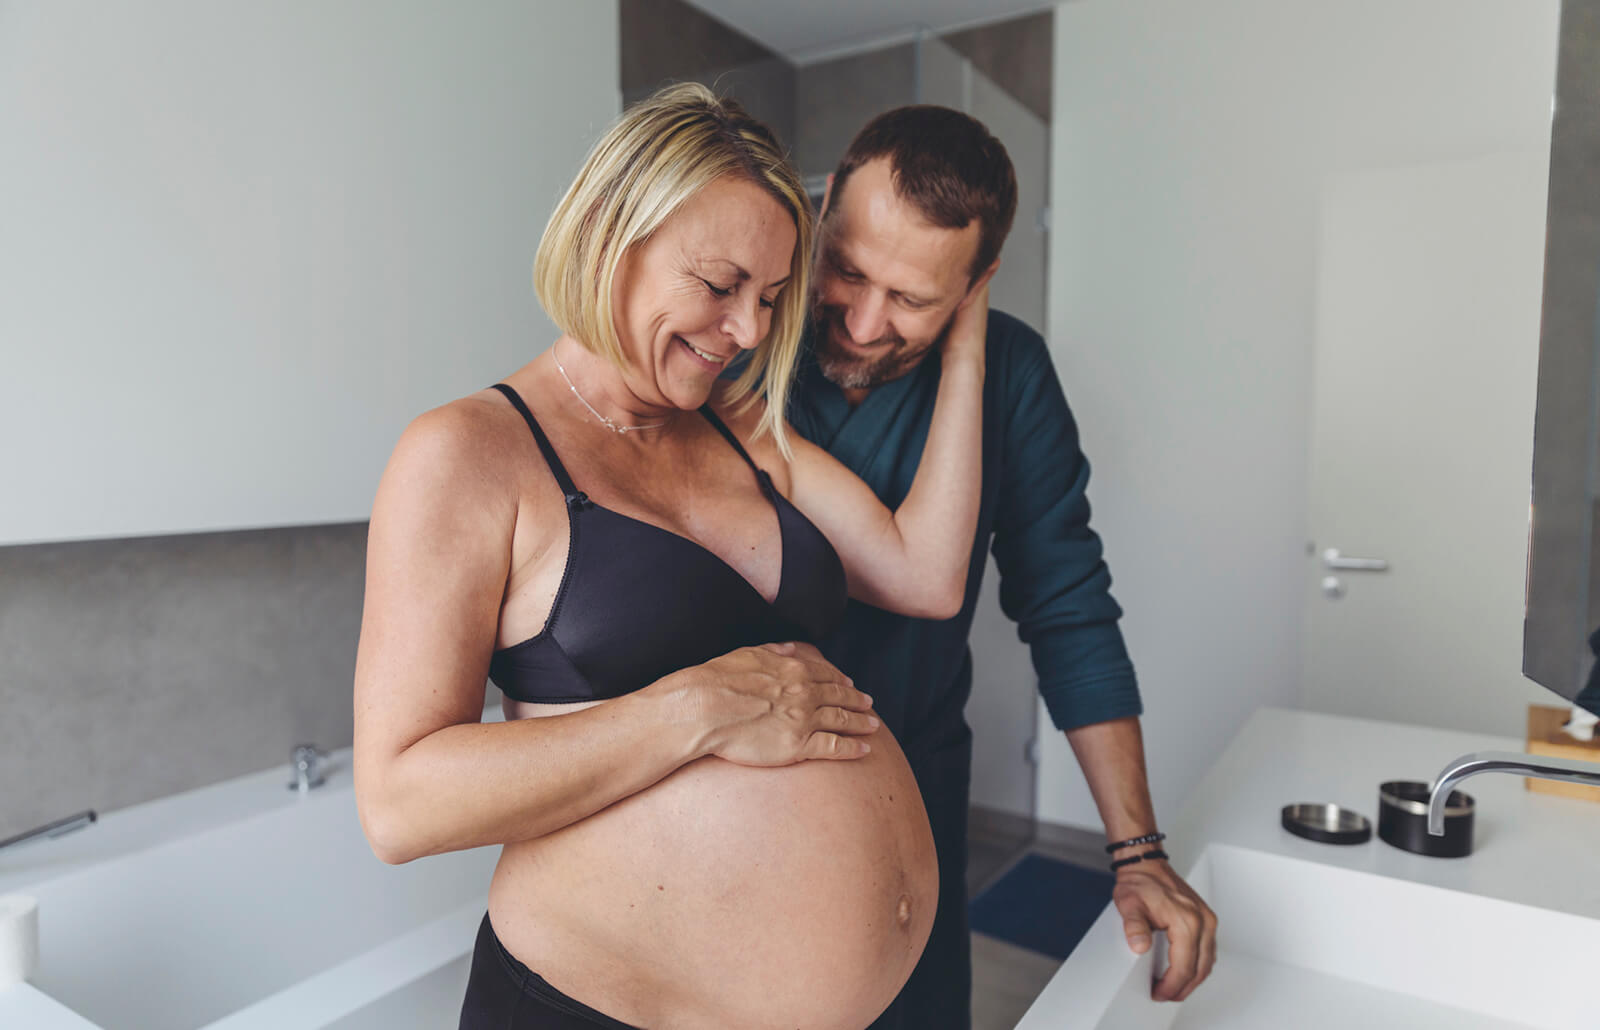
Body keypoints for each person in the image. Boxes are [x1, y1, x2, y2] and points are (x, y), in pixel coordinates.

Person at [352, 84, 993, 1030]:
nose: (751, 331)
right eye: (721, 284)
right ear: (609, 235)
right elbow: (399, 804)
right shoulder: (470, 454)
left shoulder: (743, 429)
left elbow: (928, 577)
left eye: (770, 297)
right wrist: (693, 713)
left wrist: (968, 337)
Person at [786, 105, 1219, 1028]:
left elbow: (1068, 605)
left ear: (976, 285)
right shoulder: (747, 337)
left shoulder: (1011, 371)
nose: (862, 321)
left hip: (915, 790)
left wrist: (1137, 851)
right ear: (821, 215)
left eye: (911, 300)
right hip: (745, 802)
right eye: (848, 269)